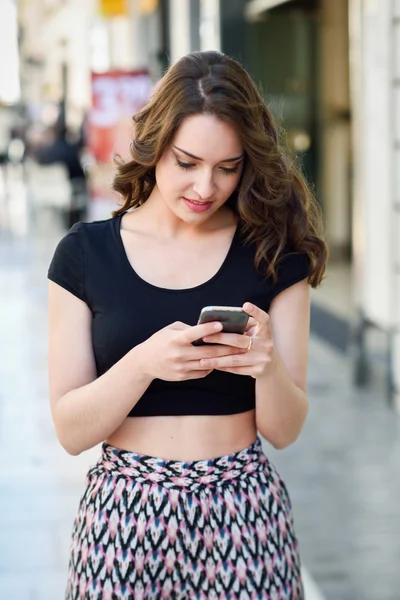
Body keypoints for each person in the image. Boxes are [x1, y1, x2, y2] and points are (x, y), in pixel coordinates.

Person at [48, 51, 327, 600]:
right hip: (123, 519)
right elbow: (71, 431)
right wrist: (145, 363)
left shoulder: (274, 254)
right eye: (187, 162)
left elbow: (285, 430)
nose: (206, 187)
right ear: (154, 147)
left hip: (244, 511)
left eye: (228, 167)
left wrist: (266, 370)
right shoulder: (85, 254)